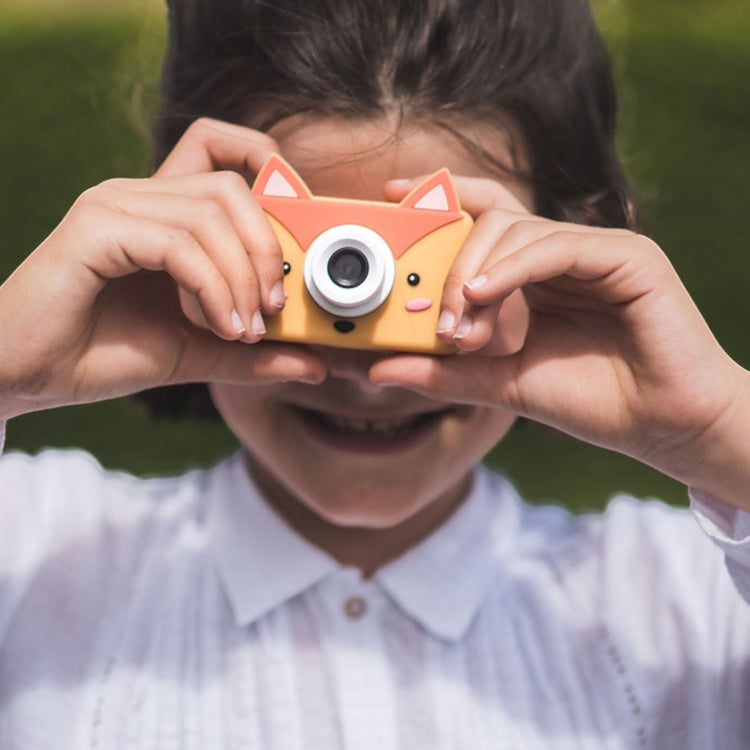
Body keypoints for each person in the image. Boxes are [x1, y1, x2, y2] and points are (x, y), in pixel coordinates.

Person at [0, 0, 749, 746]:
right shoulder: (34, 557)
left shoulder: (687, 611)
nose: (367, 371)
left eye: (432, 272)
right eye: (299, 270)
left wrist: (718, 429)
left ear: (563, 262)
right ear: (182, 229)